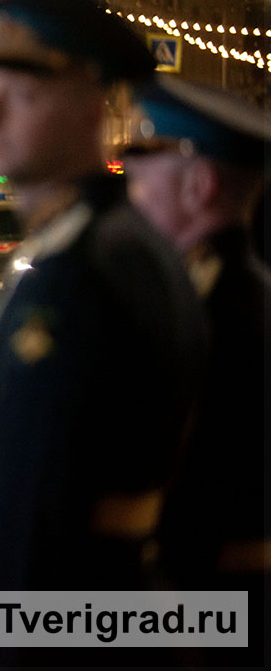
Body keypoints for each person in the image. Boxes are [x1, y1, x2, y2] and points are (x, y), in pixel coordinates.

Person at [0, 0, 207, 669]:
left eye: (24, 91)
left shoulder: (90, 272)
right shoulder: (105, 245)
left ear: (94, 105)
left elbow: (32, 536)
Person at [122, 77, 270, 669]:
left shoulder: (221, 314)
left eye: (146, 169)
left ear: (200, 186)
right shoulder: (220, 294)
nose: (131, 190)